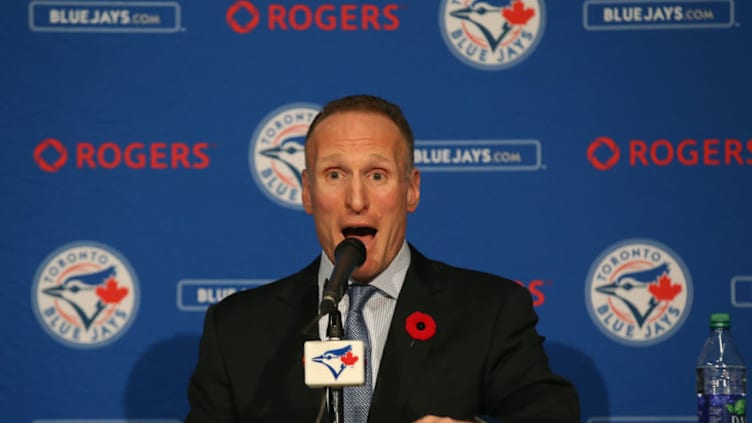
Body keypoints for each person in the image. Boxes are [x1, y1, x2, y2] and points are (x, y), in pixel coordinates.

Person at [186, 94, 580, 423]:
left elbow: (550, 414)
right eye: (335, 175)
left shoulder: (489, 311)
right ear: (308, 192)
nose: (356, 201)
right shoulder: (237, 329)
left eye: (377, 175)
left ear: (411, 190)